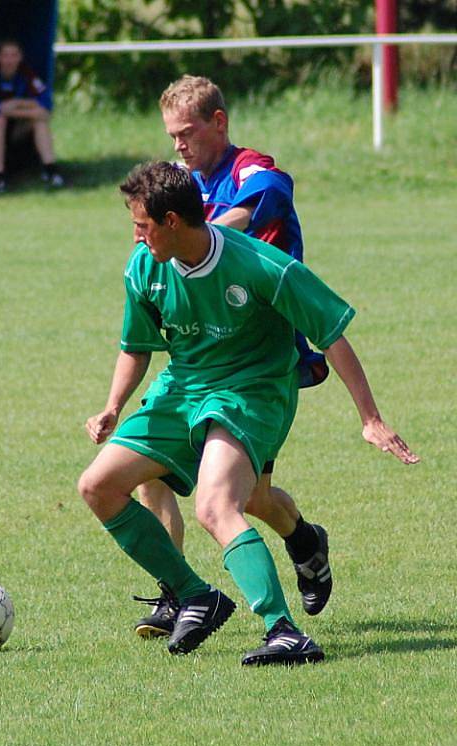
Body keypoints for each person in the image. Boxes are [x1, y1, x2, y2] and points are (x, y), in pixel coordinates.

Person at [78, 161, 418, 666]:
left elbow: (332, 336)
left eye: (142, 225)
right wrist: (112, 407)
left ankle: (283, 631)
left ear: (172, 221)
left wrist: (370, 417)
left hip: (254, 390)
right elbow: (136, 346)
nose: (135, 235)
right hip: (184, 386)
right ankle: (195, 595)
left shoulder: (260, 264)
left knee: (217, 506)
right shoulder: (143, 267)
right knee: (98, 486)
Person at [134, 75, 331, 637]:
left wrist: (196, 240)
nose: (177, 145)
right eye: (170, 135)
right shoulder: (183, 182)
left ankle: (305, 540)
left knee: (250, 498)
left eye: (187, 132)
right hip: (196, 353)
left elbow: (256, 207)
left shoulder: (253, 171)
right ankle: (178, 593)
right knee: (147, 469)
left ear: (218, 123)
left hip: (257, 359)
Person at [0, 38, 64, 192]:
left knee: (40, 119)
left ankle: (51, 171)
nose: (10, 60)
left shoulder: (27, 74)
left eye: (14, 55)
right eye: (5, 55)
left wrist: (16, 103)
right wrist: (28, 105)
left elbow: (45, 106)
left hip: (15, 131)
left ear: (20, 57)